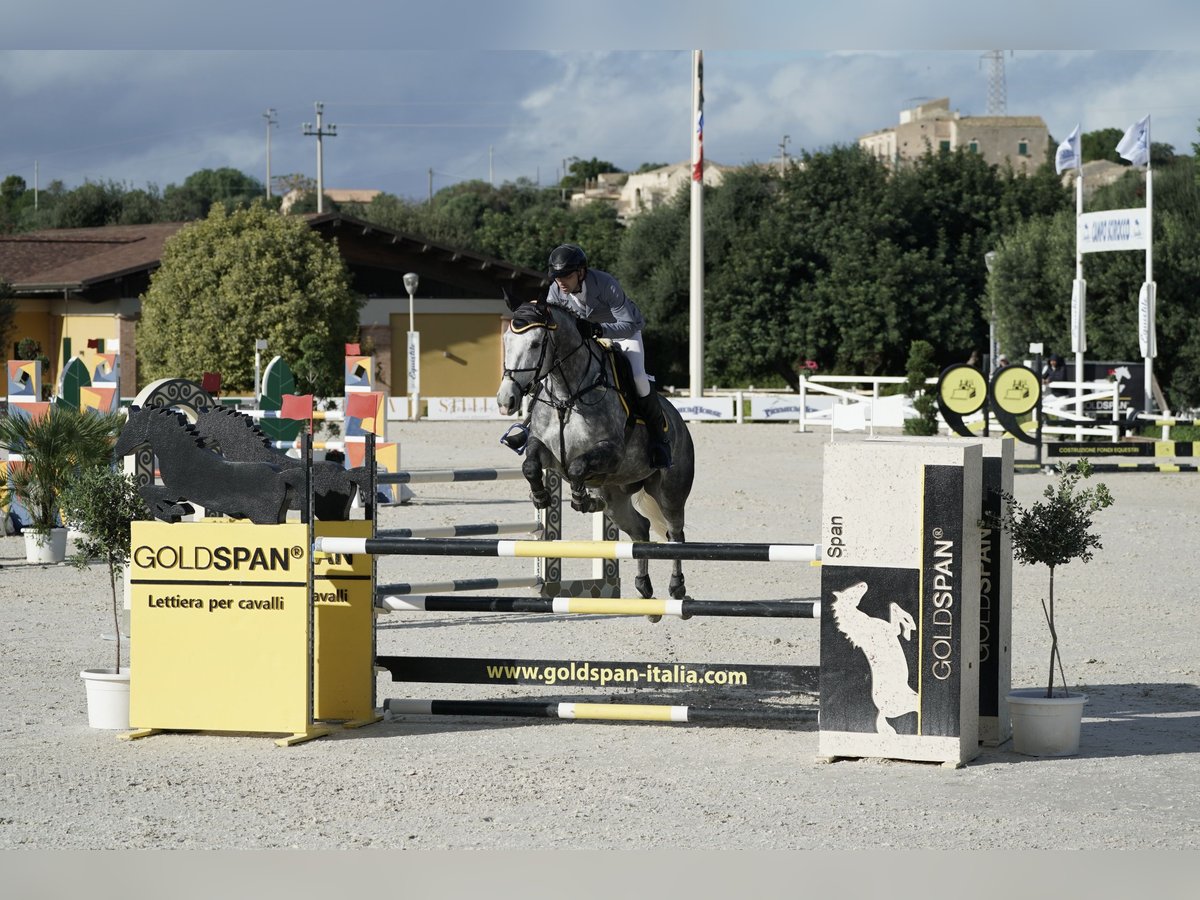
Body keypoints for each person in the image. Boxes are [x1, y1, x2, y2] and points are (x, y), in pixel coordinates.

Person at [500, 244, 672, 469]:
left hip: (622, 333)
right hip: (587, 336)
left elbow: (628, 324)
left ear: (581, 272)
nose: (561, 282)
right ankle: (529, 427)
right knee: (551, 372)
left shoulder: (606, 284)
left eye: (566, 276)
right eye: (557, 277)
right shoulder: (556, 290)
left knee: (638, 378)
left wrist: (599, 329)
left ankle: (659, 439)